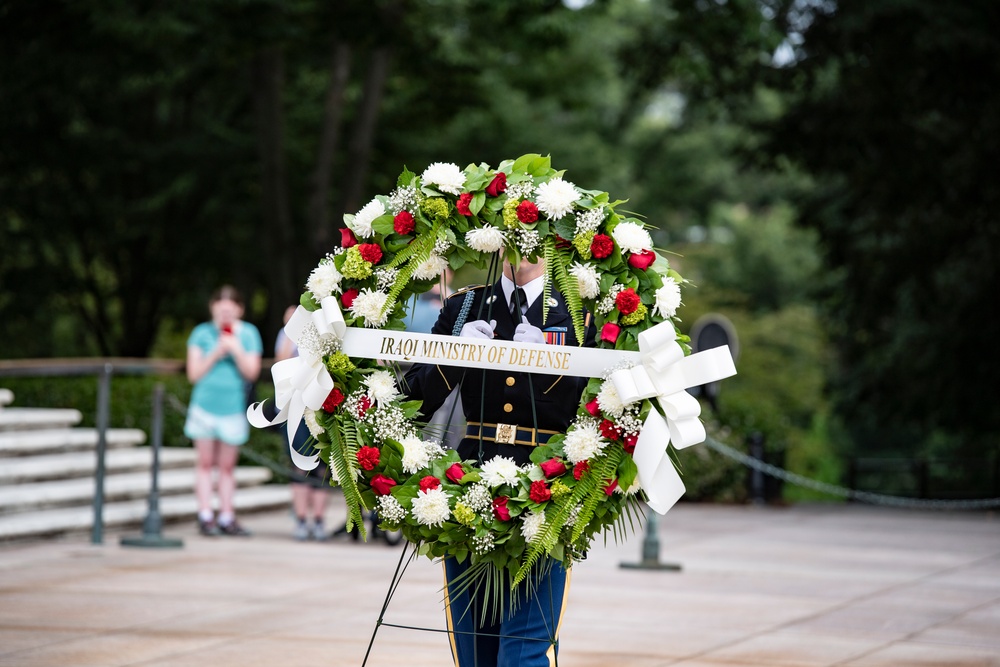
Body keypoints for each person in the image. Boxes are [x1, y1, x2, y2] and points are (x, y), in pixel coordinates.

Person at [404, 257, 594, 667]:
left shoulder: (579, 311)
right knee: (475, 651)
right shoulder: (464, 307)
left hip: (545, 487)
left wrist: (549, 362)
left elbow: (598, 405)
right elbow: (414, 401)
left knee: (523, 654)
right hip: (469, 484)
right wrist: (453, 355)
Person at [184, 285, 262, 537]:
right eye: (221, 307)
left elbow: (252, 372)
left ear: (239, 310)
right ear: (213, 308)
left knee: (227, 467)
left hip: (233, 408)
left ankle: (227, 515)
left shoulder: (249, 334)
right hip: (204, 407)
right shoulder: (201, 334)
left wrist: (235, 349)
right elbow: (193, 374)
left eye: (231, 308)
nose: (226, 312)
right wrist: (215, 352)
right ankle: (205, 514)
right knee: (205, 464)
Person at [275, 304, 331, 541]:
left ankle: (318, 519)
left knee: (322, 464)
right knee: (298, 463)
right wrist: (291, 330)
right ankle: (300, 518)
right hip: (295, 403)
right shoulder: (288, 333)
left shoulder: (327, 328)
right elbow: (280, 361)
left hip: (322, 401)